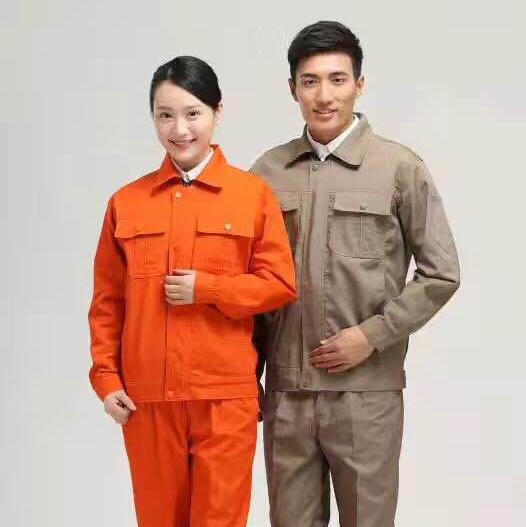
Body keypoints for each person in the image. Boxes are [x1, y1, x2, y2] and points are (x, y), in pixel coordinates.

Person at [251, 21, 460, 527]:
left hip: (366, 395)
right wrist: (247, 374)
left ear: (359, 85)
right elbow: (251, 285)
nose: (324, 95)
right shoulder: (266, 173)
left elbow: (441, 274)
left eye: (337, 79)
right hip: (287, 394)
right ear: (292, 89)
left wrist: (371, 337)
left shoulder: (398, 167)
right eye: (310, 81)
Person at [88, 55, 296, 527]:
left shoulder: (252, 196)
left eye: (192, 113)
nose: (179, 129)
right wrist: (107, 379)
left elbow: (280, 284)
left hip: (224, 399)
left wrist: (210, 288)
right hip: (148, 401)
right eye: (165, 115)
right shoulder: (126, 202)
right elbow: (107, 304)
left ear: (217, 112)